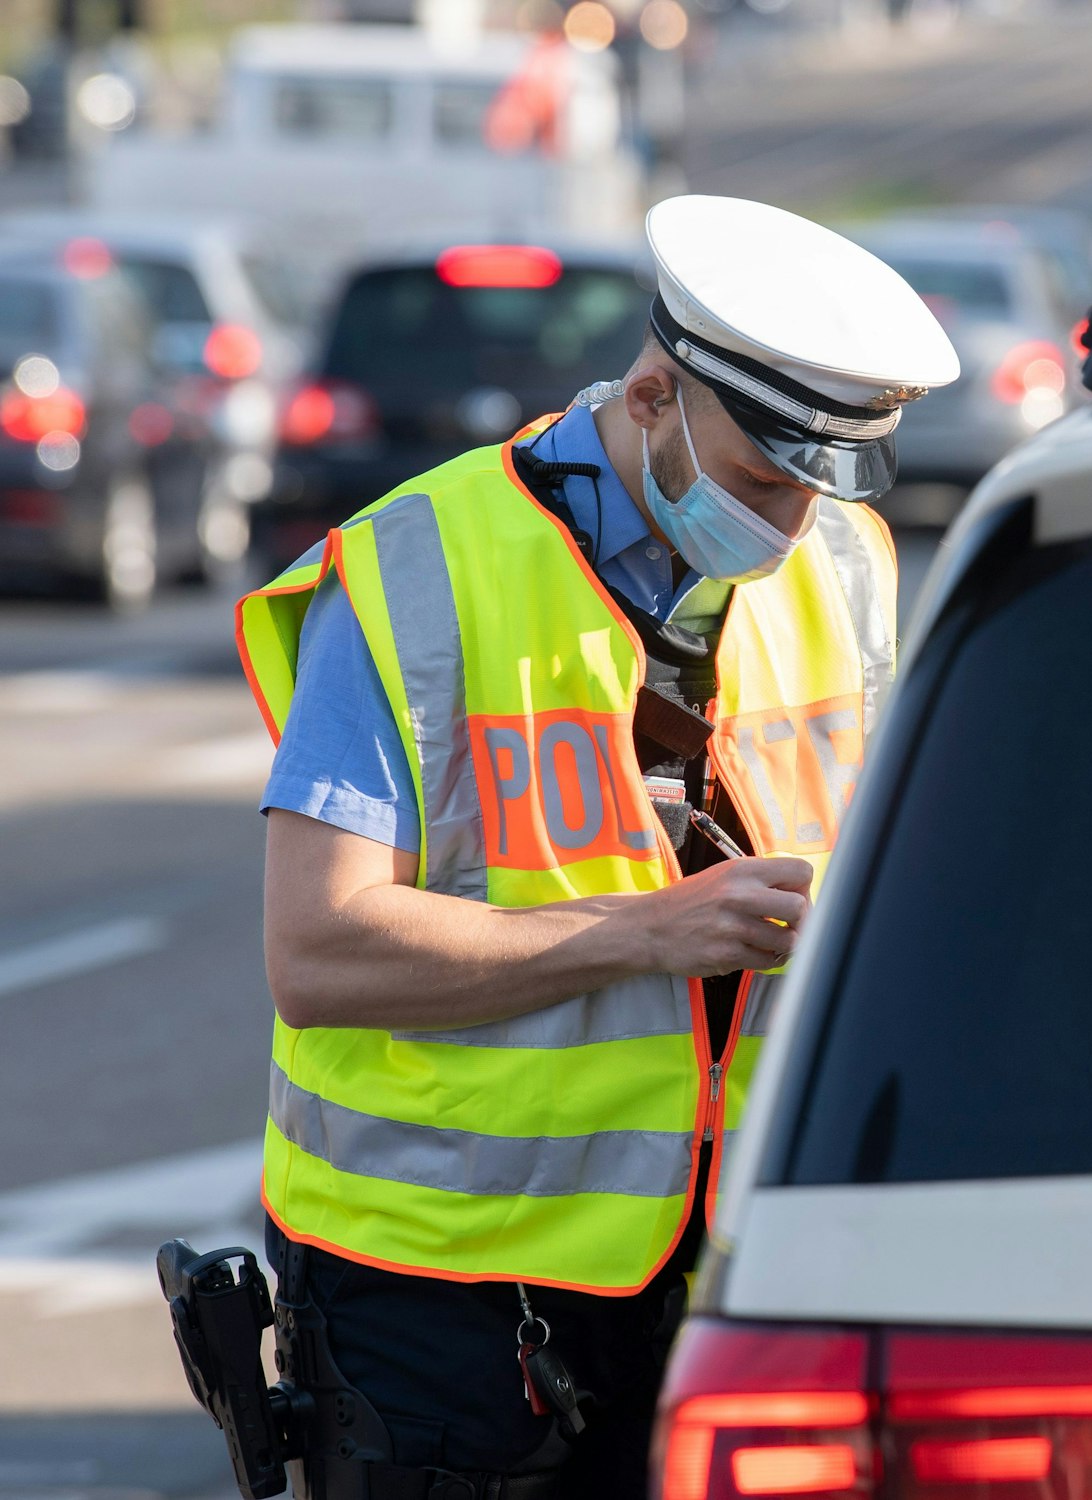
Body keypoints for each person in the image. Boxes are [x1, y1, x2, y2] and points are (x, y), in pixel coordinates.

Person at [233, 195, 959, 1498]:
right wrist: (653, 931)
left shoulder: (843, 563)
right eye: (756, 482)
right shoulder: (421, 568)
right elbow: (319, 954)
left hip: (730, 1277)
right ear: (651, 392)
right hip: (445, 1308)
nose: (788, 526)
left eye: (817, 487)